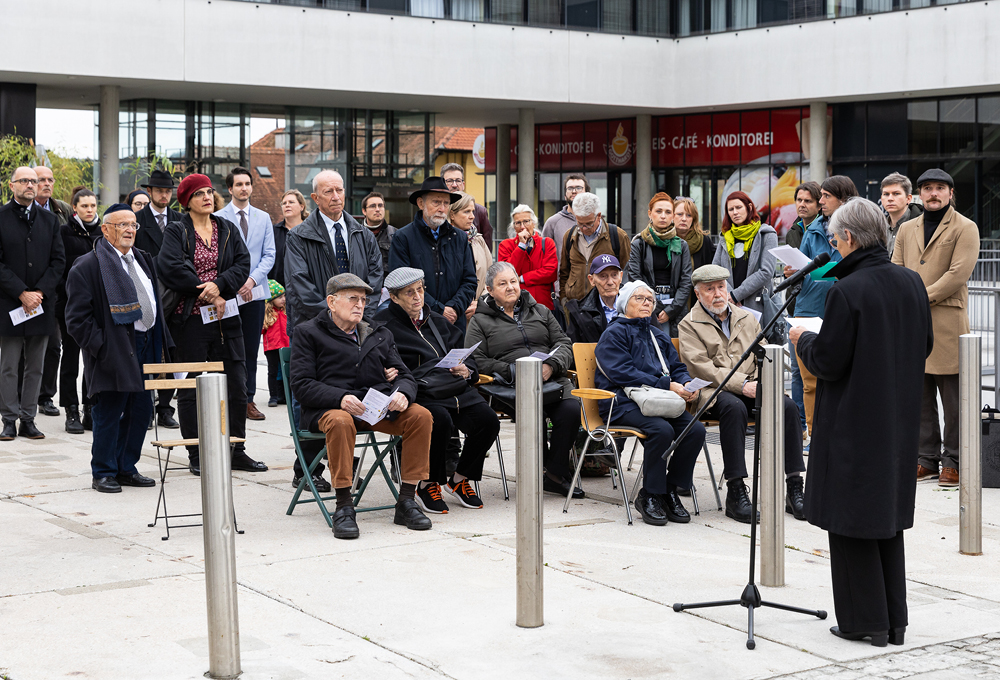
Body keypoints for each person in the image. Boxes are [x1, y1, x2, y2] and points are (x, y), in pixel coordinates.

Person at [791, 198, 933, 648]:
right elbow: (924, 344)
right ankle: (893, 622)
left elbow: (829, 361)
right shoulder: (910, 282)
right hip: (897, 418)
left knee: (851, 521)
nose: (832, 246)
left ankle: (863, 621)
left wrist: (803, 338)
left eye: (834, 239)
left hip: (853, 420)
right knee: (885, 521)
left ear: (848, 238)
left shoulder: (846, 291)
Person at [290, 272, 434, 539]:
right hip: (330, 409)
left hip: (374, 408)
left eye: (364, 300)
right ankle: (344, 506)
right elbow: (301, 384)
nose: (360, 305)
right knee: (341, 420)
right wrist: (340, 398)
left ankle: (406, 500)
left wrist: (402, 392)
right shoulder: (308, 332)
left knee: (420, 415)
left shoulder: (378, 332)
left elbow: (405, 375)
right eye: (353, 298)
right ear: (331, 302)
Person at [156, 173, 267, 476]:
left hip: (225, 315)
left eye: (209, 192)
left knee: (237, 383)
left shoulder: (227, 228)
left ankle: (237, 450)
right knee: (191, 386)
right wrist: (204, 291)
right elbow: (170, 267)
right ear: (187, 201)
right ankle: (196, 453)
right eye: (199, 194)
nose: (207, 197)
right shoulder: (177, 230)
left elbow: (242, 263)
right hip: (189, 318)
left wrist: (218, 286)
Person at [678, 265, 807, 524]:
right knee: (733, 407)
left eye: (721, 287)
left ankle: (795, 487)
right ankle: (736, 491)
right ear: (697, 293)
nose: (717, 294)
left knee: (788, 407)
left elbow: (760, 354)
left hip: (750, 385)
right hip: (713, 393)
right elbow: (701, 367)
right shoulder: (688, 324)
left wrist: (762, 382)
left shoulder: (747, 317)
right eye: (709, 289)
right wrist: (741, 383)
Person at [65, 204, 173, 493]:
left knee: (140, 411)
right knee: (110, 412)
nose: (129, 230)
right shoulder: (88, 265)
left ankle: (126, 467)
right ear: (105, 229)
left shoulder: (143, 259)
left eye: (133, 225)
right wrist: (101, 347)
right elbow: (76, 320)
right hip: (113, 347)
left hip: (146, 344)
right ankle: (103, 471)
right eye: (122, 225)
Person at [375, 267, 500, 513]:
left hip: (453, 387)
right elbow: (373, 362)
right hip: (418, 391)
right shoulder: (382, 327)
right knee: (438, 420)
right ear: (394, 297)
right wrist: (386, 374)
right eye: (409, 292)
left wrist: (468, 370)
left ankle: (460, 479)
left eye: (420, 290)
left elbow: (468, 356)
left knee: (488, 420)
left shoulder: (438, 320)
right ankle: (427, 482)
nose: (417, 297)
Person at [891, 169, 980, 488]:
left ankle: (954, 460)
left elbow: (958, 274)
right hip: (912, 324)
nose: (933, 193)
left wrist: (916, 296)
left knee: (953, 400)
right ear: (918, 194)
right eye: (927, 188)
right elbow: (896, 268)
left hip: (947, 323)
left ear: (950, 193)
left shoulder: (966, 228)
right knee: (919, 395)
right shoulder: (905, 229)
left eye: (939, 188)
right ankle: (926, 459)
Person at [466, 261, 582, 499]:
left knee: (572, 410)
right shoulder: (480, 321)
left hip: (552, 380)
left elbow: (564, 344)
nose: (510, 287)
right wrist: (514, 370)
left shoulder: (540, 310)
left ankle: (552, 472)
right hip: (511, 386)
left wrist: (551, 365)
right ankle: (545, 473)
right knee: (532, 412)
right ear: (489, 289)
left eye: (513, 281)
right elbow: (475, 359)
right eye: (502, 283)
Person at [595, 280, 705, 526]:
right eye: (640, 298)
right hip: (621, 403)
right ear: (625, 304)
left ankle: (670, 490)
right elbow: (622, 372)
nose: (647, 303)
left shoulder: (658, 335)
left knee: (695, 430)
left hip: (658, 402)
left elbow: (677, 368)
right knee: (661, 430)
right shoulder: (614, 333)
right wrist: (667, 385)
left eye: (650, 300)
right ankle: (650, 495)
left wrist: (686, 385)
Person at [0, 168, 65, 441]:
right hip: (10, 304)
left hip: (41, 304)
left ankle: (28, 419)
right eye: (24, 181)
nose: (30, 185)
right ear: (12, 185)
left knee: (36, 365)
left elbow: (58, 261)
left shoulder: (50, 220)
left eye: (34, 181)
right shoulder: (0, 218)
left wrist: (39, 292)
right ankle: (8, 419)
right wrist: (21, 293)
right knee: (9, 365)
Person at [284, 170, 383, 334]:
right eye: (328, 192)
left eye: (339, 190)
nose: (336, 197)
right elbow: (298, 287)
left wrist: (357, 316)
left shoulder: (363, 235)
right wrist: (335, 318)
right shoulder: (297, 237)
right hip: (314, 329)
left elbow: (375, 281)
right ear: (315, 198)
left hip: (356, 327)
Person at [215, 166, 277, 423]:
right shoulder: (218, 217)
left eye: (247, 184)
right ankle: (226, 399)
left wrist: (251, 281)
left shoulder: (263, 218)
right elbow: (218, 257)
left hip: (255, 293)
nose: (244, 188)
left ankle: (248, 399)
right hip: (228, 293)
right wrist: (236, 283)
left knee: (251, 349)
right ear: (230, 189)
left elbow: (269, 255)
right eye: (238, 184)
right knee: (225, 348)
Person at [783, 184, 842, 438]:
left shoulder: (847, 226)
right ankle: (805, 429)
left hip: (833, 305)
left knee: (827, 372)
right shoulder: (810, 229)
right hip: (806, 304)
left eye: (822, 198)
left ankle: (827, 431)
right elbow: (804, 264)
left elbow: (842, 268)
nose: (818, 202)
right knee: (802, 374)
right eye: (800, 199)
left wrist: (811, 271)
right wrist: (793, 272)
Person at [388, 176, 478, 332]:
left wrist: (454, 308)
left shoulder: (460, 238)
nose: (442, 208)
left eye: (446, 203)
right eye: (436, 202)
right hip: (418, 324)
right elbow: (401, 283)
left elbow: (469, 280)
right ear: (421, 203)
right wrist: (439, 310)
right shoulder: (403, 238)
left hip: (454, 324)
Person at [134, 168, 183, 429]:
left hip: (175, 295)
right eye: (159, 190)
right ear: (149, 192)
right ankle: (145, 403)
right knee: (148, 351)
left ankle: (165, 407)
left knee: (172, 353)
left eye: (168, 190)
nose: (164, 195)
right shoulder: (137, 219)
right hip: (147, 293)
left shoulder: (180, 219)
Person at [56, 189, 103, 434]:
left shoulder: (102, 232)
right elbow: (59, 266)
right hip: (70, 304)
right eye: (84, 206)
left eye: (93, 205)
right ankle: (71, 409)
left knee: (93, 358)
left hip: (97, 307)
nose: (89, 210)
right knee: (71, 357)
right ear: (75, 208)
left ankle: (90, 407)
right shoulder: (65, 231)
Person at [27, 166, 70, 419]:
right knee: (23, 346)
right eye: (39, 179)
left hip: (54, 291)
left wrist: (46, 288)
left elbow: (62, 253)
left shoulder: (61, 209)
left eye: (49, 180)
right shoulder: (13, 211)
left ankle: (45, 396)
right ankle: (22, 395)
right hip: (21, 292)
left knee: (54, 345)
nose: (45, 183)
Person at [626, 193, 693, 337]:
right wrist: (654, 305)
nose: (663, 216)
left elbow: (686, 281)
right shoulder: (639, 243)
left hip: (676, 306)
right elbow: (634, 277)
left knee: (674, 350)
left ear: (673, 216)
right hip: (646, 304)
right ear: (650, 214)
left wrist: (670, 311)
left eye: (668, 212)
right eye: (658, 211)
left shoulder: (681, 245)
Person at [712, 191, 778, 321]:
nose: (735, 212)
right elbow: (716, 270)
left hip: (757, 305)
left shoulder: (767, 234)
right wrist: (730, 296)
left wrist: (737, 294)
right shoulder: (725, 237)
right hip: (729, 305)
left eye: (738, 207)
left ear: (749, 207)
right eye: (730, 209)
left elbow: (766, 271)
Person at [559, 192, 631, 302]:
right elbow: (564, 272)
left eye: (588, 224)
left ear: (598, 216)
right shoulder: (569, 236)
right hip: (574, 305)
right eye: (580, 223)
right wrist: (564, 300)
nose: (584, 228)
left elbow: (626, 272)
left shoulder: (618, 236)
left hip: (607, 305)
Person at [498, 204, 557, 311]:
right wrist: (521, 246)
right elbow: (507, 273)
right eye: (518, 223)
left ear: (533, 223)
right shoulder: (505, 245)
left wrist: (522, 278)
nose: (522, 227)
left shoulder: (547, 243)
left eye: (526, 221)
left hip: (543, 305)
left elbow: (551, 272)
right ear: (513, 226)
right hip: (516, 306)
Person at [449, 192, 492, 321]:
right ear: (452, 215)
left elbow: (491, 277)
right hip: (453, 314)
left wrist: (480, 303)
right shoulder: (442, 242)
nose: (472, 216)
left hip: (480, 314)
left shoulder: (479, 240)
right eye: (466, 212)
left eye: (472, 211)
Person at [542, 174, 589, 283]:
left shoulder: (597, 222)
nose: (574, 191)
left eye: (578, 188)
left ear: (586, 193)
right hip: (562, 290)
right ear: (565, 195)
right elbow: (543, 258)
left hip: (591, 289)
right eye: (570, 188)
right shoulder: (552, 223)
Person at [565, 254, 623, 343]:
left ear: (621, 277)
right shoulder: (580, 312)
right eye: (603, 276)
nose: (610, 282)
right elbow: (574, 347)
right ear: (591, 280)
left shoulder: (638, 303)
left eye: (614, 275)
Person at [440, 162, 493, 247]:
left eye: (458, 180)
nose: (454, 185)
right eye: (449, 181)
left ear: (463, 185)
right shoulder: (436, 210)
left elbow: (486, 247)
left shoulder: (480, 211)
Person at [269, 189, 308, 287]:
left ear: (301, 207)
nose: (287, 205)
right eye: (284, 203)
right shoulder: (273, 231)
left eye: (291, 202)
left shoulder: (311, 231)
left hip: (305, 288)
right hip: (278, 290)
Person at [881, 172, 923, 257]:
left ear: (908, 198)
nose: (890, 198)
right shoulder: (879, 228)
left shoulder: (922, 224)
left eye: (896, 193)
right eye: (886, 194)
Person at [262, 279, 289, 409]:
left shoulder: (286, 312)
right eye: (279, 297)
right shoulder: (268, 314)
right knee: (273, 371)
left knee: (285, 370)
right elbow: (261, 330)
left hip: (285, 346)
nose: (283, 299)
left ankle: (284, 395)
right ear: (271, 299)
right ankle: (273, 396)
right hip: (272, 347)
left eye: (284, 296)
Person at [360, 191, 396, 279]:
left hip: (387, 288)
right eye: (373, 206)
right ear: (364, 211)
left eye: (380, 205)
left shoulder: (394, 234)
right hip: (362, 287)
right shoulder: (356, 234)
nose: (377, 209)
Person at [672, 196, 713, 272]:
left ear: (693, 219)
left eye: (689, 215)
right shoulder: (665, 240)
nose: (684, 219)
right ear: (672, 216)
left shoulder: (704, 241)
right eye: (680, 214)